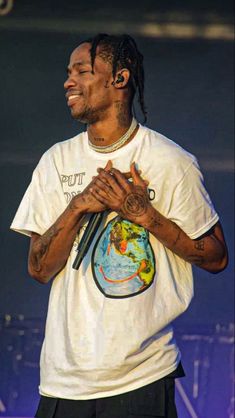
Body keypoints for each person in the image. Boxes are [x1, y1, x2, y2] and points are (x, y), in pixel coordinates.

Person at [10, 33, 228, 418]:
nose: (68, 81)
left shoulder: (170, 161)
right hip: (64, 381)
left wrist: (145, 215)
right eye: (68, 72)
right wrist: (78, 206)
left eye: (82, 71)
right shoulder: (55, 162)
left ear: (119, 79)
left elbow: (215, 257)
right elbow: (38, 269)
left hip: (142, 377)